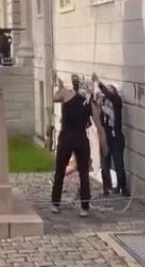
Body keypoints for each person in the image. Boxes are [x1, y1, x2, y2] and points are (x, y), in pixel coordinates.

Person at [50, 74, 101, 217]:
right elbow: (97, 122)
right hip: (81, 138)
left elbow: (55, 98)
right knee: (84, 174)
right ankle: (84, 207)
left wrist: (60, 87)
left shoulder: (67, 94)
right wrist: (103, 143)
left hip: (66, 137)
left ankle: (55, 203)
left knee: (60, 171)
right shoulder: (88, 101)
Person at [93, 75, 131, 197]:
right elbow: (97, 118)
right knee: (105, 163)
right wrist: (97, 102)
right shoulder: (103, 104)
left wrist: (100, 83)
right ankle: (107, 188)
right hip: (106, 136)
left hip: (116, 136)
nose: (107, 93)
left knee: (118, 163)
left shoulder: (116, 102)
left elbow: (111, 96)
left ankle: (122, 187)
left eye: (110, 90)